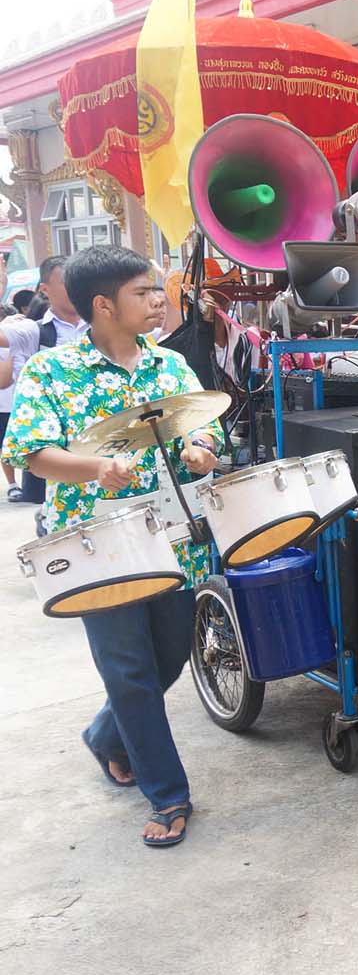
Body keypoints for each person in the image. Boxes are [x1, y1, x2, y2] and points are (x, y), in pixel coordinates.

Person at [1, 245, 221, 847]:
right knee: (129, 671)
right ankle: (168, 795)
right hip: (95, 544)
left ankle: (105, 736)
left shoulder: (170, 365)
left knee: (171, 656)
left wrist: (202, 448)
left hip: (173, 537)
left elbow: (205, 423)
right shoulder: (51, 371)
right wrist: (95, 468)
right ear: (103, 305)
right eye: (143, 293)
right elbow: (30, 453)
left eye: (156, 291)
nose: (159, 301)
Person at [0, 308, 43, 501]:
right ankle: (12, 484)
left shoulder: (27, 339)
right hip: (6, 405)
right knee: (7, 447)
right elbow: (4, 380)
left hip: (20, 405)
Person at [34, 255, 91, 349]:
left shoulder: (100, 324)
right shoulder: (34, 332)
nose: (76, 288)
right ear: (45, 289)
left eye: (78, 282)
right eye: (68, 283)